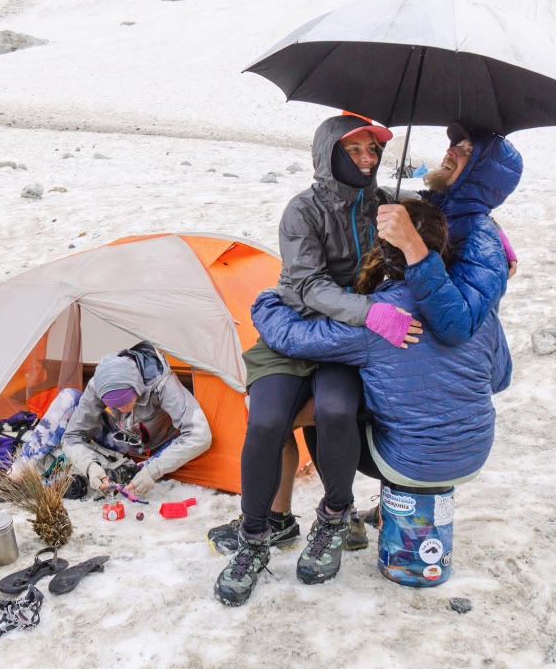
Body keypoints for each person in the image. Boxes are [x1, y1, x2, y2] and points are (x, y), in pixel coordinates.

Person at [213, 115, 420, 607]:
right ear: (329, 154)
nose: (368, 159)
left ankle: (333, 518)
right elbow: (305, 284)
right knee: (265, 422)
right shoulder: (301, 211)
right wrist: (369, 311)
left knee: (334, 411)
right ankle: (255, 538)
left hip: (345, 344)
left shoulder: (385, 208)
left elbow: (438, 222)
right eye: (355, 151)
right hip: (298, 330)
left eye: (374, 150)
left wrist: (496, 242)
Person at [251, 197, 511, 501]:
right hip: (473, 457)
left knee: (328, 417)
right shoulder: (476, 307)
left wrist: (266, 303)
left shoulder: (379, 316)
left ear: (383, 250)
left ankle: (334, 513)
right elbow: (499, 379)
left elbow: (294, 338)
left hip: (407, 464)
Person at [61, 341, 211, 498]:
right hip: (125, 439)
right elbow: (72, 436)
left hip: (159, 446)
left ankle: (127, 469)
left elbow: (199, 434)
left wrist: (153, 470)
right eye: (114, 406)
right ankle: (116, 469)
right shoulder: (99, 384)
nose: (122, 409)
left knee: (191, 438)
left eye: (125, 403)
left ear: (137, 386)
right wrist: (89, 466)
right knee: (67, 399)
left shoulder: (162, 383)